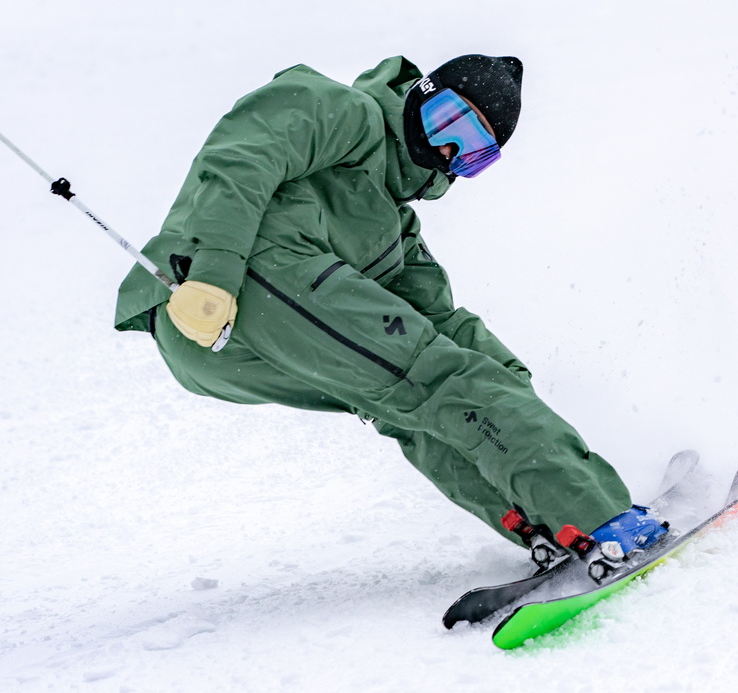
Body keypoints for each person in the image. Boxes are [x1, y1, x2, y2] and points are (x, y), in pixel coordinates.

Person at [114, 54, 666, 576]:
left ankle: (542, 522)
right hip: (229, 283)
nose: (449, 148)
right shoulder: (343, 113)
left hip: (225, 354)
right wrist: (214, 270)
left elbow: (446, 326)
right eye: (449, 119)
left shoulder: (397, 236)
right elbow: (242, 155)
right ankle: (600, 518)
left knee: (412, 401)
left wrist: (507, 381)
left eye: (474, 150)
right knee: (439, 381)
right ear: (420, 95)